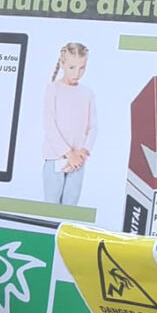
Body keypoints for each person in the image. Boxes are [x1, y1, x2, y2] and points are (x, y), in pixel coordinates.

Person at [42, 42, 97, 206]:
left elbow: (93, 127)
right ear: (63, 64)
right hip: (55, 158)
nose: (77, 73)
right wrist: (68, 154)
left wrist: (81, 154)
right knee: (51, 207)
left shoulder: (88, 93)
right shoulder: (52, 89)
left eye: (82, 68)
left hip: (78, 162)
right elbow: (49, 125)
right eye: (72, 67)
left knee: (71, 206)